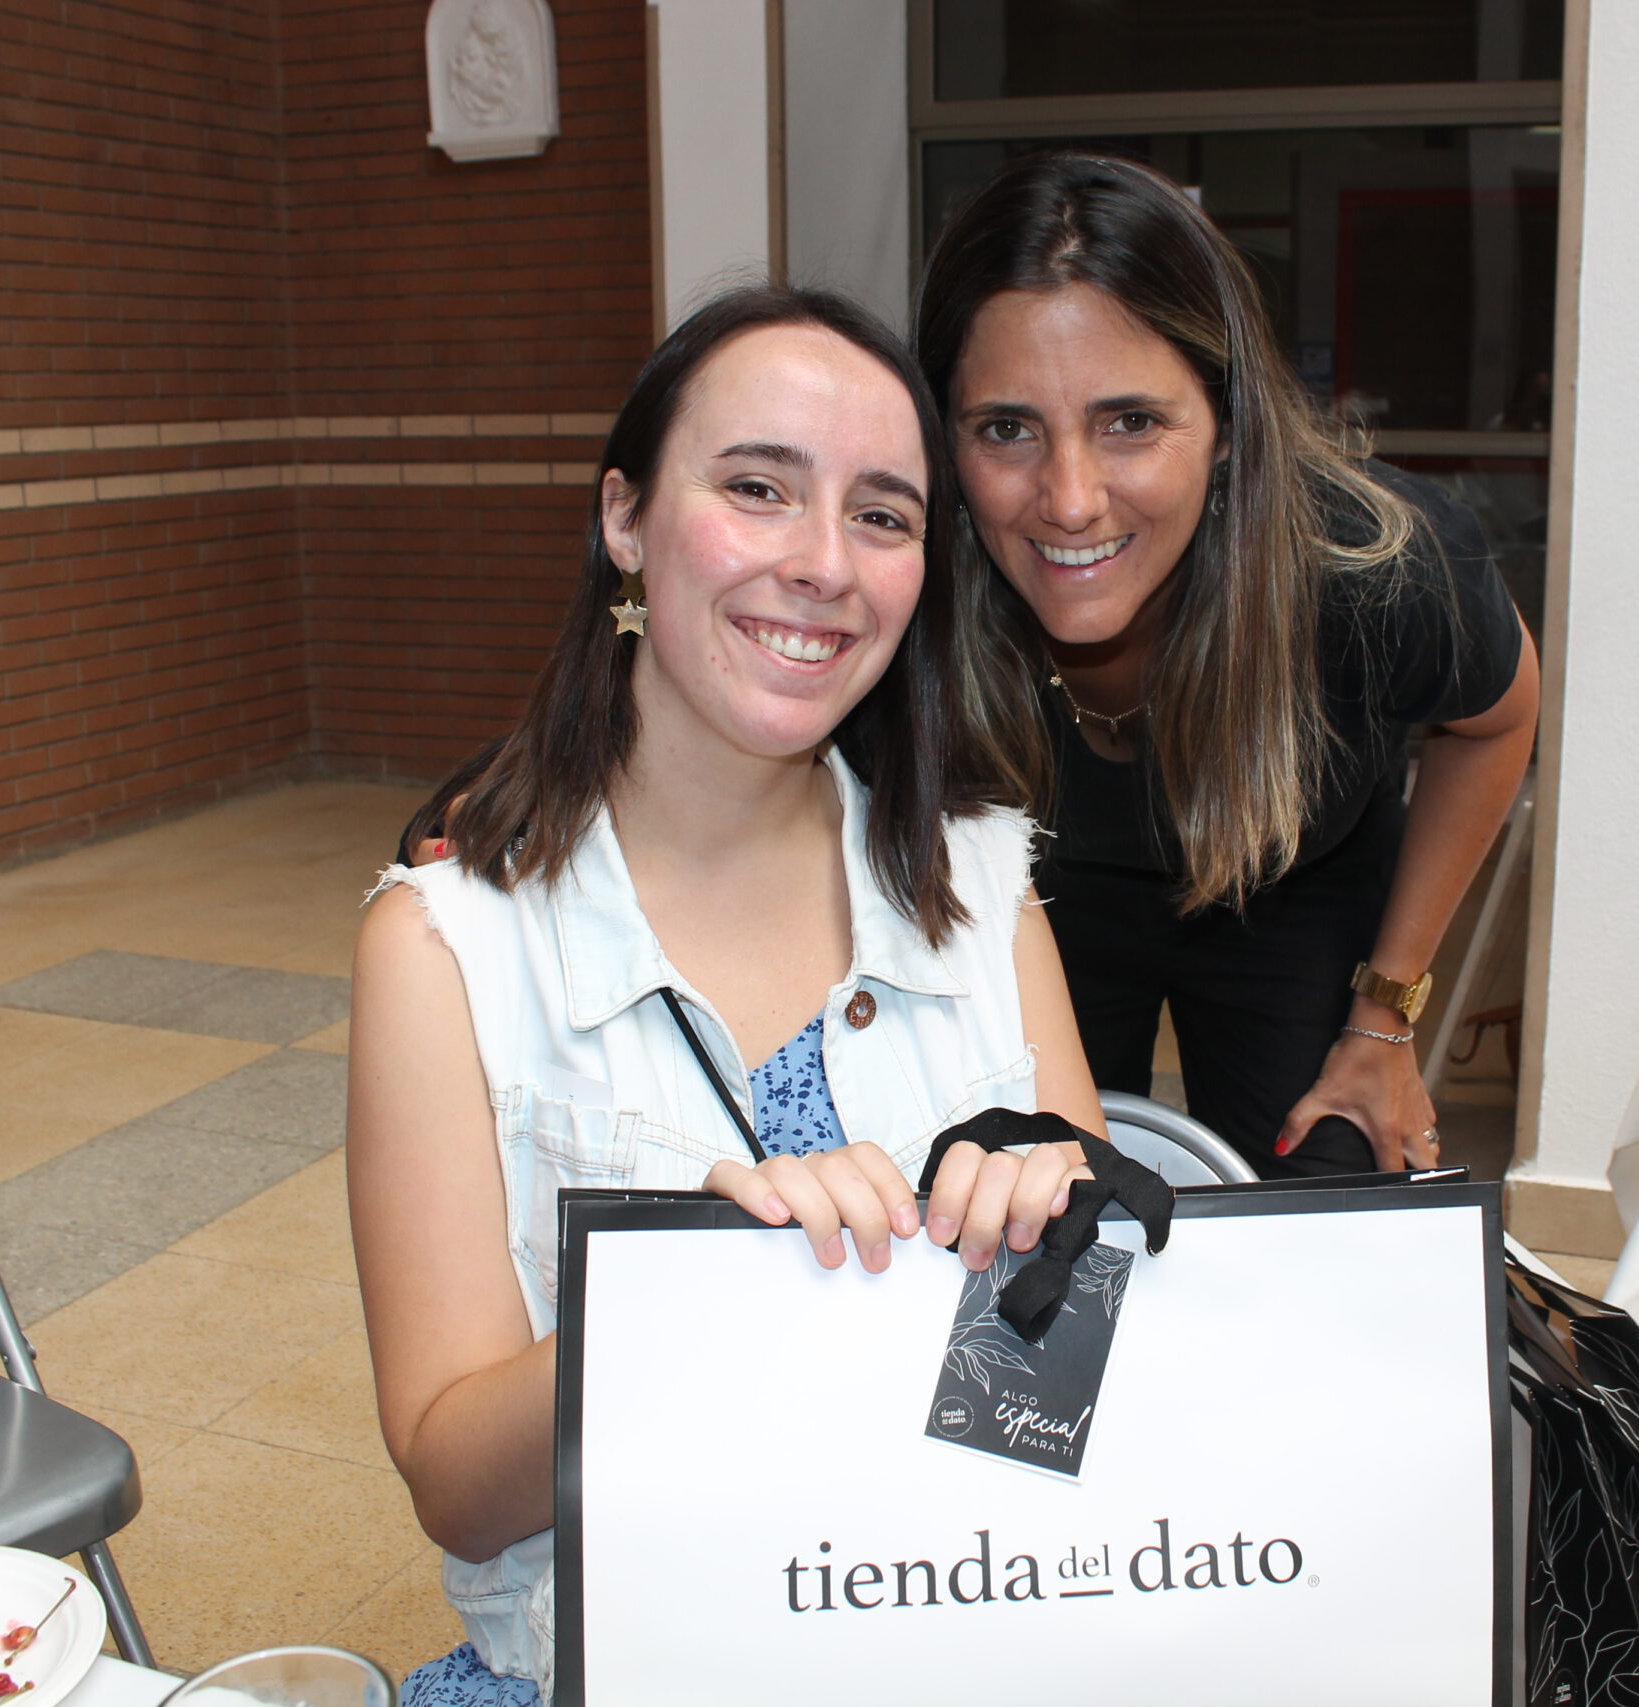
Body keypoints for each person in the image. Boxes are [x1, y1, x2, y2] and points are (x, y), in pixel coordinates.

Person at [349, 286, 1102, 1706]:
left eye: (881, 515)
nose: (822, 563)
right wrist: (689, 1289)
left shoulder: (984, 890)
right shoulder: (444, 948)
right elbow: (457, 1485)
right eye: (758, 488)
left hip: (955, 1631)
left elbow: (1072, 1383)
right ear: (626, 520)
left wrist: (1056, 1239)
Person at [915, 152, 1540, 1179]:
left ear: (1226, 425)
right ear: (944, 439)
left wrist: (1384, 1018)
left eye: (1131, 422)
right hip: (1040, 891)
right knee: (1029, 1200)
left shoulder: (1375, 565)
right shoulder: (909, 587)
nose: (1069, 500)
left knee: (1319, 1192)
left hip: (1294, 880)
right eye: (1007, 429)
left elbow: (1499, 720)